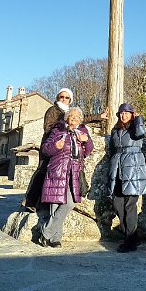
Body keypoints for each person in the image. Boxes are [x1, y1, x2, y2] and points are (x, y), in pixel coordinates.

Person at [22, 87, 107, 212]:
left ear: (70, 99)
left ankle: (47, 201)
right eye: (62, 96)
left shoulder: (68, 111)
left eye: (67, 97)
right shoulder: (52, 110)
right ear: (58, 98)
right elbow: (47, 128)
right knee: (42, 171)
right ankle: (31, 201)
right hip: (50, 144)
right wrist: (64, 127)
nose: (64, 99)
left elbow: (82, 117)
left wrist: (99, 116)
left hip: (63, 147)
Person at [36, 106, 93, 247]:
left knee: (70, 202)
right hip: (58, 170)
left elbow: (88, 151)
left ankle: (46, 232)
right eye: (71, 116)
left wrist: (86, 140)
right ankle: (55, 239)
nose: (74, 119)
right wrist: (56, 146)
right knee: (55, 205)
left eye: (77, 117)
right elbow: (45, 149)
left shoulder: (83, 131)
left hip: (74, 172)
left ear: (80, 120)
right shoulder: (57, 130)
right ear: (67, 118)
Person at [108, 102, 146, 253]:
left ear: (132, 114)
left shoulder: (136, 127)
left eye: (127, 112)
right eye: (121, 113)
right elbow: (112, 149)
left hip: (133, 168)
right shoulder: (116, 129)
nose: (123, 115)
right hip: (118, 168)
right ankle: (132, 236)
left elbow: (141, 133)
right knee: (117, 203)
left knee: (130, 205)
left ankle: (130, 241)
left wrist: (139, 119)